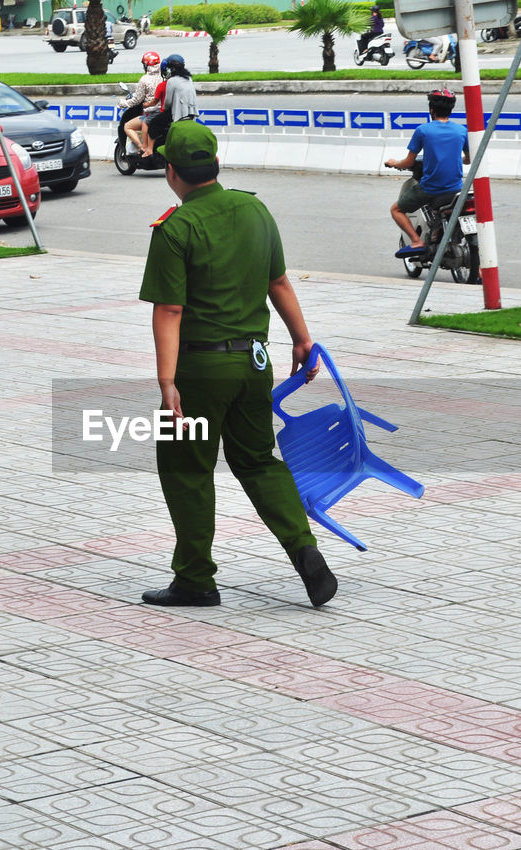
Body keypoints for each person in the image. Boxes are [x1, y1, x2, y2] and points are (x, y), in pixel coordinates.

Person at [138, 121, 336, 609]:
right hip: (255, 363)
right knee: (257, 460)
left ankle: (195, 579)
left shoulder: (175, 229)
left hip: (202, 370)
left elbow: (170, 310)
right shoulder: (254, 209)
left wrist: (167, 383)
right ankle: (306, 553)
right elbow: (280, 283)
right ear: (216, 166)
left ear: (171, 172)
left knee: (186, 468)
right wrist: (303, 340)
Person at [385, 89, 469, 257]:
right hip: (457, 188)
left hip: (431, 188)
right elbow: (469, 159)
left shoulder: (423, 131)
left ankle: (416, 241)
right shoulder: (461, 131)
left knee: (396, 210)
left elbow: (409, 162)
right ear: (451, 110)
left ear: (431, 109)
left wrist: (395, 163)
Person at [142, 53, 196, 157]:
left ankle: (149, 150)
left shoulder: (171, 81)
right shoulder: (189, 79)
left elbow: (167, 103)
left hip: (177, 114)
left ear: (170, 69)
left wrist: (164, 109)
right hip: (191, 112)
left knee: (153, 124)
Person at [119, 51, 162, 155]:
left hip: (150, 114)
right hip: (163, 114)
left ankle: (142, 147)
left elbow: (136, 100)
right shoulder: (163, 78)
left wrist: (123, 103)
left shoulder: (144, 79)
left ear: (146, 65)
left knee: (127, 126)